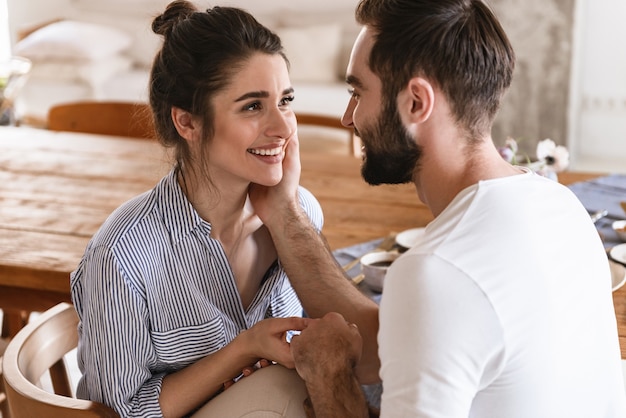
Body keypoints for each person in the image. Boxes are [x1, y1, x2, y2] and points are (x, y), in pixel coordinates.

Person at [249, 0, 626, 416]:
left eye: (358, 92)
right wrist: (286, 215)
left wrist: (330, 377)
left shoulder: (440, 271)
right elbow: (396, 344)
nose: (347, 118)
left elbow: (441, 298)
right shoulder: (560, 205)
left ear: (416, 103)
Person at [70, 2, 322, 417]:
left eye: (286, 100)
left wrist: (289, 217)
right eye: (253, 106)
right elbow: (122, 410)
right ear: (187, 123)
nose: (283, 128)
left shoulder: (300, 214)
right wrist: (247, 346)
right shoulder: (123, 258)